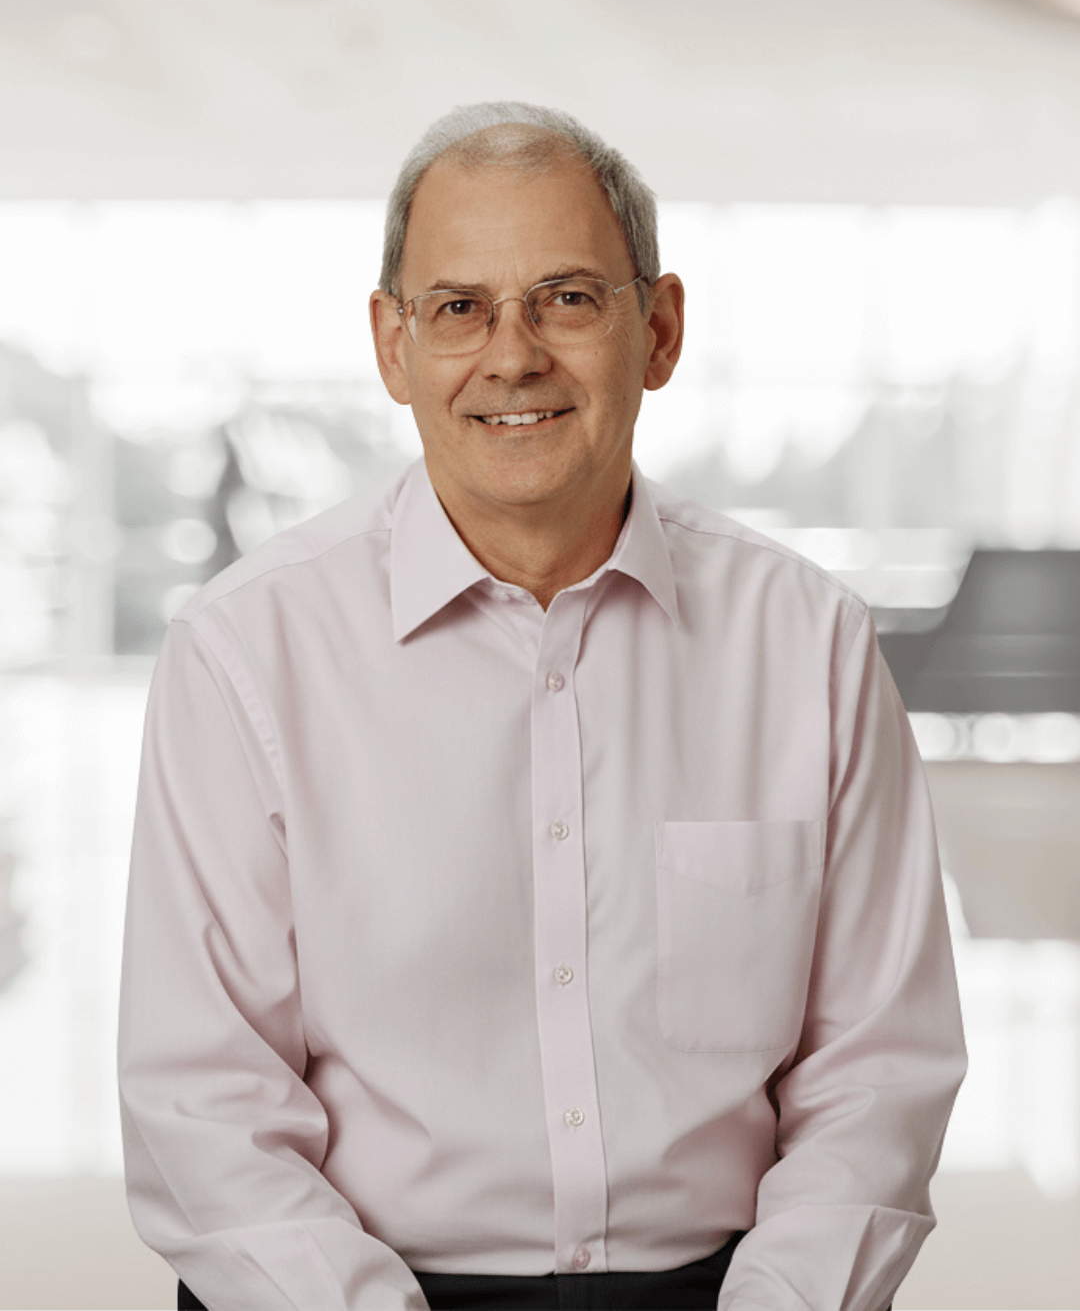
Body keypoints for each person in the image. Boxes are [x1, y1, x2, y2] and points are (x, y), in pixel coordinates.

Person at [118, 102, 966, 1311]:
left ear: (659, 330)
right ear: (391, 345)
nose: (511, 355)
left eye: (567, 297)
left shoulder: (807, 641)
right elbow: (204, 1103)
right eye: (457, 307)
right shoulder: (245, 652)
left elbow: (879, 1069)